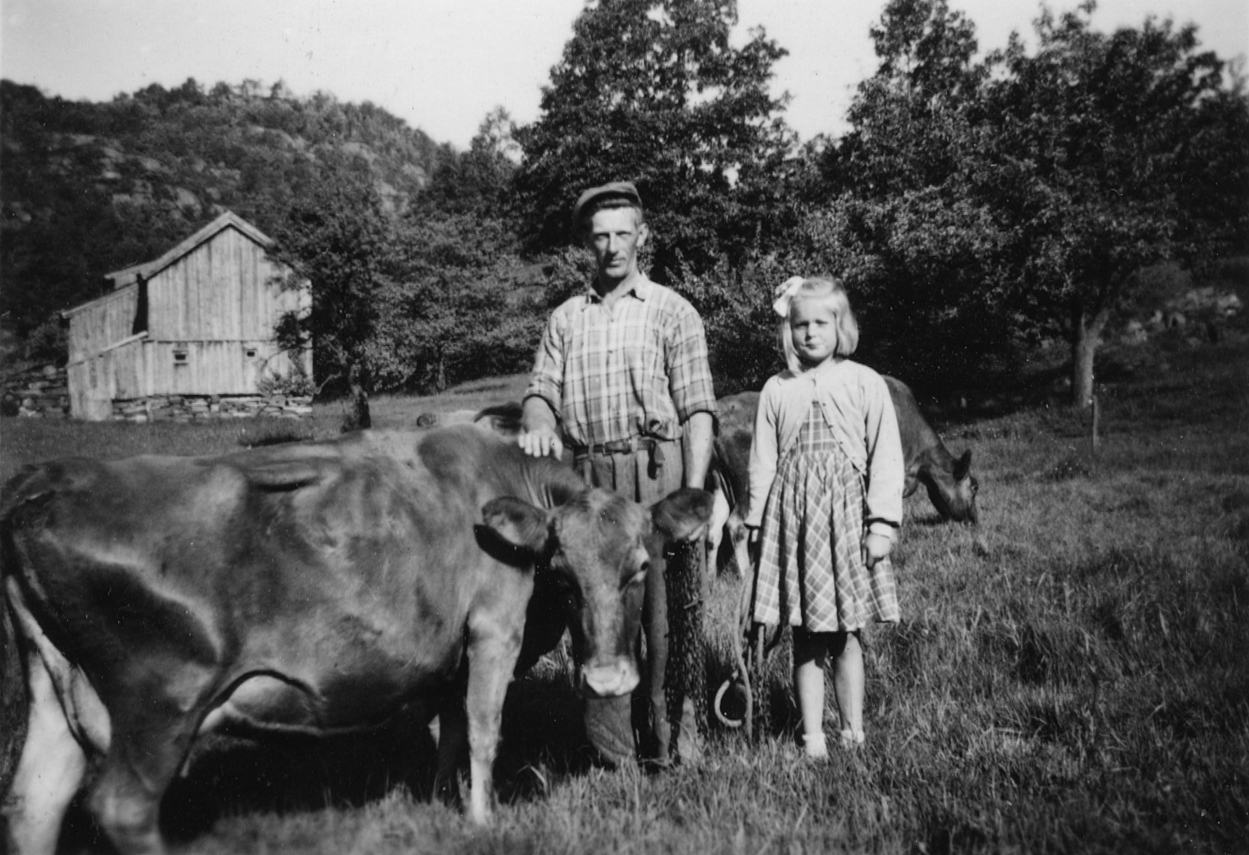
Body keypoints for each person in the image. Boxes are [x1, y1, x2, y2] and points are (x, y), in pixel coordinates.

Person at [518, 181, 717, 767]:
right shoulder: (565, 318)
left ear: (642, 236)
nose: (612, 246)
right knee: (600, 612)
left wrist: (694, 493)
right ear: (588, 241)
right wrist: (537, 417)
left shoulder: (673, 310)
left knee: (666, 613)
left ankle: (674, 735)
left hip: (655, 471)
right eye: (601, 236)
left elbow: (698, 410)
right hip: (589, 481)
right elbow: (541, 391)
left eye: (622, 234)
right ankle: (612, 749)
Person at [744, 275, 904, 758]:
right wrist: (756, 525)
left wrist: (881, 524)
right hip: (796, 527)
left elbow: (886, 456)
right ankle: (812, 737)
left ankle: (853, 732)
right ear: (787, 330)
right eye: (800, 325)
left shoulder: (864, 382)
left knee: (847, 633)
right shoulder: (777, 389)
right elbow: (762, 462)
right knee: (806, 634)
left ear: (842, 327)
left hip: (846, 524)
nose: (810, 333)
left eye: (821, 323)